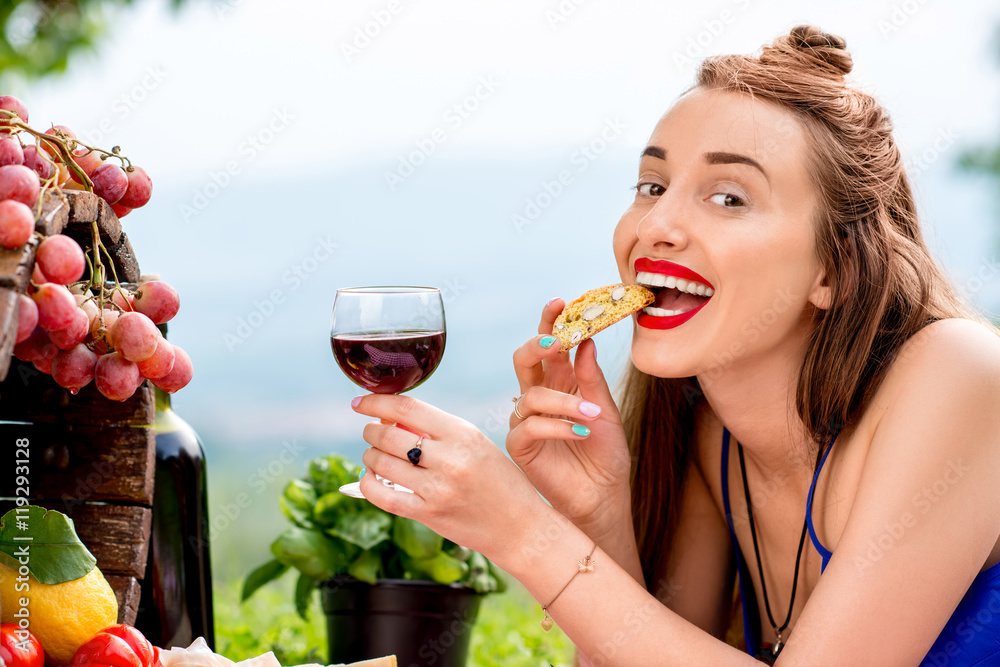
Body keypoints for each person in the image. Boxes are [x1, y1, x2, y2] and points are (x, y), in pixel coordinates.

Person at [352, 25, 1000, 665]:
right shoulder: (714, 437)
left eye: (728, 197)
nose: (656, 226)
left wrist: (524, 530)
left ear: (833, 268)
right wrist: (598, 511)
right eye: (652, 187)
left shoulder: (963, 374)